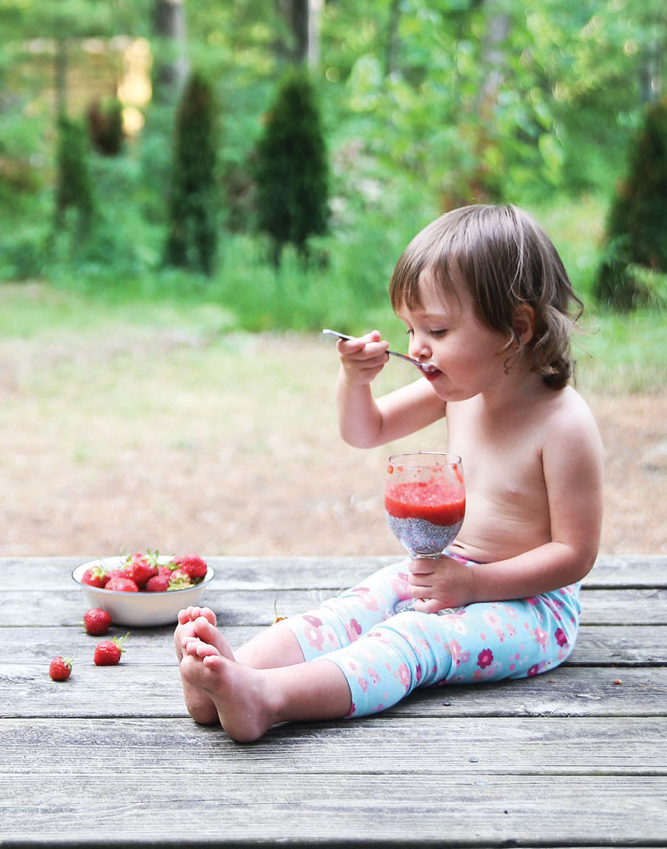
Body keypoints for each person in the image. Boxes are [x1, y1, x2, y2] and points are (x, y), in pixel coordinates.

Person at [174, 203, 603, 742]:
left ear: (517, 328)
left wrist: (475, 583)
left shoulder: (563, 424)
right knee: (353, 608)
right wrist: (354, 382)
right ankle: (233, 672)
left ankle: (267, 698)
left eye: (438, 329)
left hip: (534, 606)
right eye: (410, 328)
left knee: (411, 639)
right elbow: (366, 430)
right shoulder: (459, 392)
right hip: (450, 571)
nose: (417, 347)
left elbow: (575, 555)